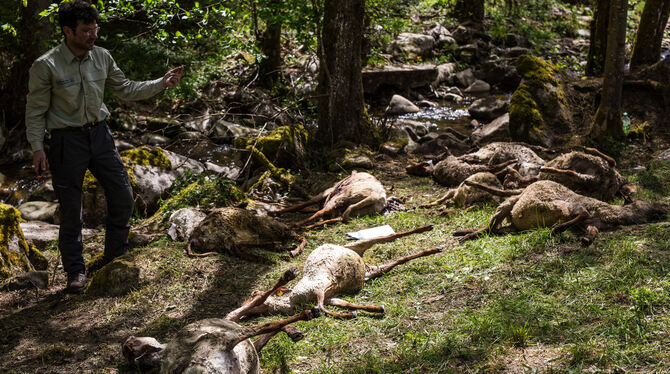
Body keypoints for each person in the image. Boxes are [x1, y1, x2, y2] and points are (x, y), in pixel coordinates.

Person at [25, 0, 184, 293]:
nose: (93, 36)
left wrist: (162, 83)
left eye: (95, 30)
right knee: (72, 209)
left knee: (122, 193)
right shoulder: (45, 65)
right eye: (86, 31)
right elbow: (35, 111)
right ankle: (76, 272)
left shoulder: (102, 57)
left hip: (100, 135)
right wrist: (37, 148)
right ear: (67, 31)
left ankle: (114, 253)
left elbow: (126, 89)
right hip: (65, 141)